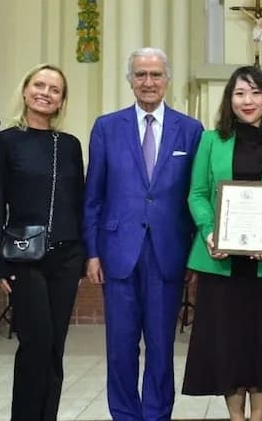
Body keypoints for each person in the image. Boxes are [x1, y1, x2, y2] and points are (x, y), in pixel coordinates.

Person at [83, 47, 204, 421]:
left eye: (155, 75)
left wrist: (195, 253)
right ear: (130, 81)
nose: (148, 82)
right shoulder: (107, 127)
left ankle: (156, 415)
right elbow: (94, 195)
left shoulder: (191, 129)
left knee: (160, 346)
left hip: (168, 254)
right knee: (120, 347)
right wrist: (92, 252)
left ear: (167, 80)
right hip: (118, 252)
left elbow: (198, 196)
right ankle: (124, 415)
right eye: (140, 75)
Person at [181, 66, 262, 421]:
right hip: (220, 258)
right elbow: (198, 193)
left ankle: (258, 417)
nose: (247, 100)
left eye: (255, 92)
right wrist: (209, 231)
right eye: (239, 93)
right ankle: (236, 417)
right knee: (226, 342)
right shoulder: (210, 140)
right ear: (229, 99)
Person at [0, 64, 87, 421]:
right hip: (24, 257)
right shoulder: (6, 140)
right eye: (39, 85)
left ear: (61, 100)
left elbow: (80, 202)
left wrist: (84, 256)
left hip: (67, 257)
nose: (46, 92)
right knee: (35, 344)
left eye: (54, 89)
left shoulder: (70, 145)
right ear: (26, 90)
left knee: (55, 348)